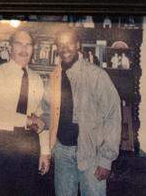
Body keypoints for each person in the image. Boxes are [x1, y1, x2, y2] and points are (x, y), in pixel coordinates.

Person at [42, 28, 121, 196]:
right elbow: (48, 113)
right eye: (61, 44)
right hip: (62, 152)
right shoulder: (54, 76)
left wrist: (106, 160)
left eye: (69, 43)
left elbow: (112, 116)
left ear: (78, 45)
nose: (65, 48)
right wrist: (38, 121)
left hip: (92, 154)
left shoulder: (96, 75)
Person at [0, 28, 48, 192]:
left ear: (33, 49)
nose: (24, 49)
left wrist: (45, 152)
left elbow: (40, 116)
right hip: (1, 145)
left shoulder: (37, 79)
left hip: (29, 146)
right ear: (10, 47)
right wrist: (27, 120)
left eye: (28, 45)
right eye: (19, 44)